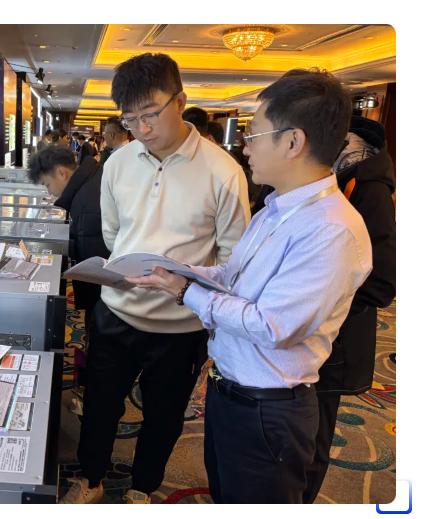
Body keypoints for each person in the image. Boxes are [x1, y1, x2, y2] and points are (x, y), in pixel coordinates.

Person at [125, 68, 373, 504]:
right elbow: (235, 276)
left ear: (293, 142)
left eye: (253, 135)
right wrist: (182, 272)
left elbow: (273, 326)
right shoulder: (276, 208)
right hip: (230, 391)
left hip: (270, 409)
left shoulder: (330, 230)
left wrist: (185, 292)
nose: (245, 146)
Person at [60, 52, 250, 505]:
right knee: (100, 404)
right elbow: (113, 234)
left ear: (179, 101)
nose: (142, 128)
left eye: (150, 113)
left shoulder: (223, 171)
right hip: (118, 312)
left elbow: (234, 257)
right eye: (130, 118)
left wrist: (188, 290)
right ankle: (91, 479)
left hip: (180, 325)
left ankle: (143, 489)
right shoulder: (119, 162)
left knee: (164, 415)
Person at [302, 116, 396, 503]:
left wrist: (317, 302)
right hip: (308, 329)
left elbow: (382, 281)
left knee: (313, 436)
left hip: (334, 337)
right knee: (294, 429)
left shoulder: (367, 187)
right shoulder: (331, 179)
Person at [27, 146, 109, 337]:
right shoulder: (94, 178)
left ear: (62, 173)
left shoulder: (88, 203)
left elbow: (95, 266)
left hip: (105, 299)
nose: (50, 192)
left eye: (47, 184)